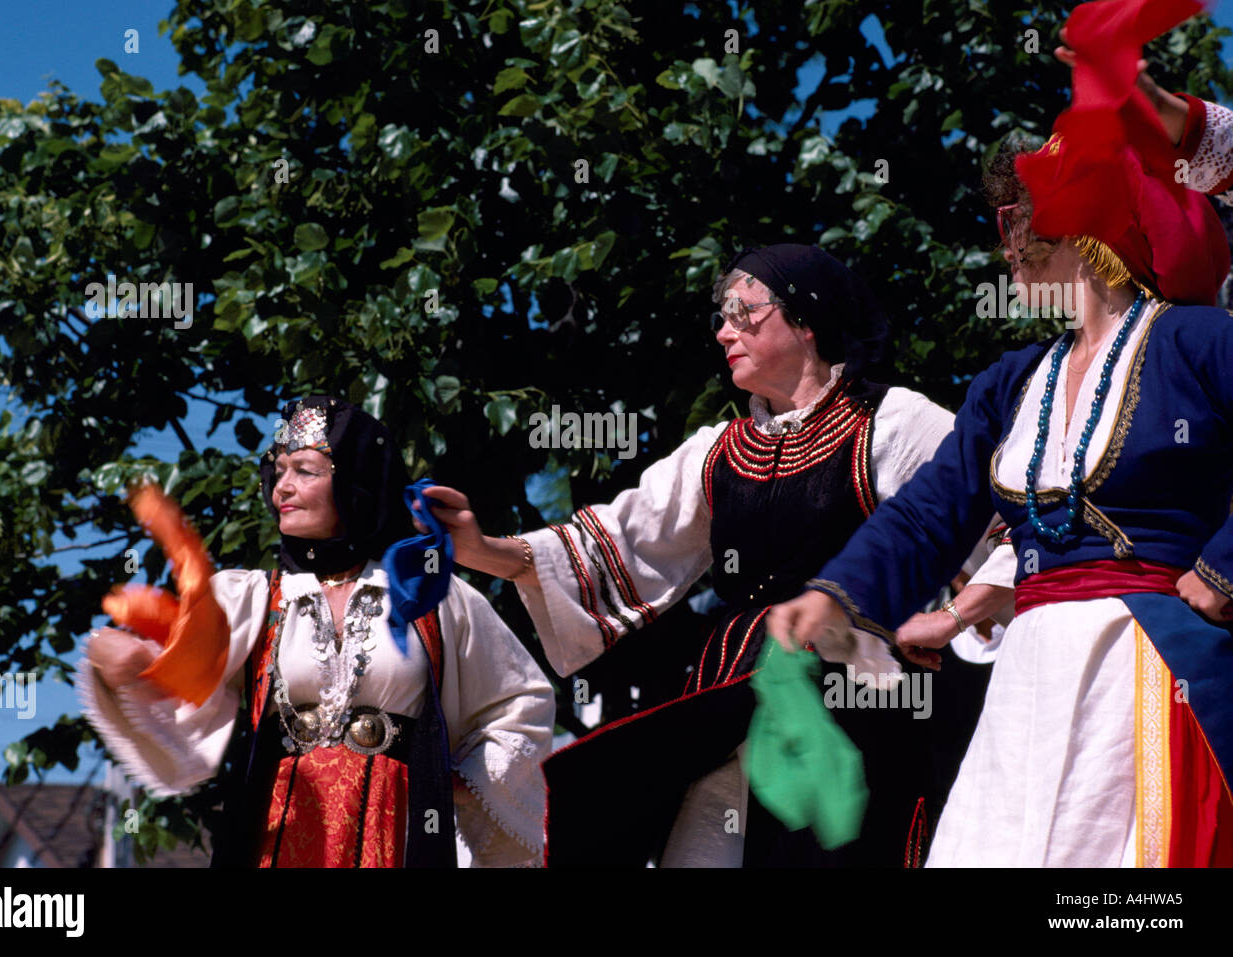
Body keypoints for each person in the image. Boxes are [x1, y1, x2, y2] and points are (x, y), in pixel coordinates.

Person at [768, 0, 1233, 867]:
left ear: (1081, 225)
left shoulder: (1197, 344)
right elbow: (928, 513)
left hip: (1149, 672)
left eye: (1020, 217)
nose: (1006, 246)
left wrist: (1217, 575)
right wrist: (836, 593)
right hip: (1027, 685)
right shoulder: (1011, 382)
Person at [422, 244, 1013, 866]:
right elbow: (614, 545)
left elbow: (1008, 526)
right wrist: (480, 549)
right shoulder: (718, 450)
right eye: (720, 316)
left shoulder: (893, 423)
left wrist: (951, 616)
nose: (725, 331)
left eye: (743, 311)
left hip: (854, 704)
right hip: (728, 701)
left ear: (807, 320)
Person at [78, 395, 554, 867]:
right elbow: (179, 685)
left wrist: (459, 784)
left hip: (397, 839)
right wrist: (118, 661)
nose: (281, 488)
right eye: (278, 470)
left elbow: (522, 701)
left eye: (305, 471)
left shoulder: (429, 596)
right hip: (282, 835)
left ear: (356, 481)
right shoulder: (252, 598)